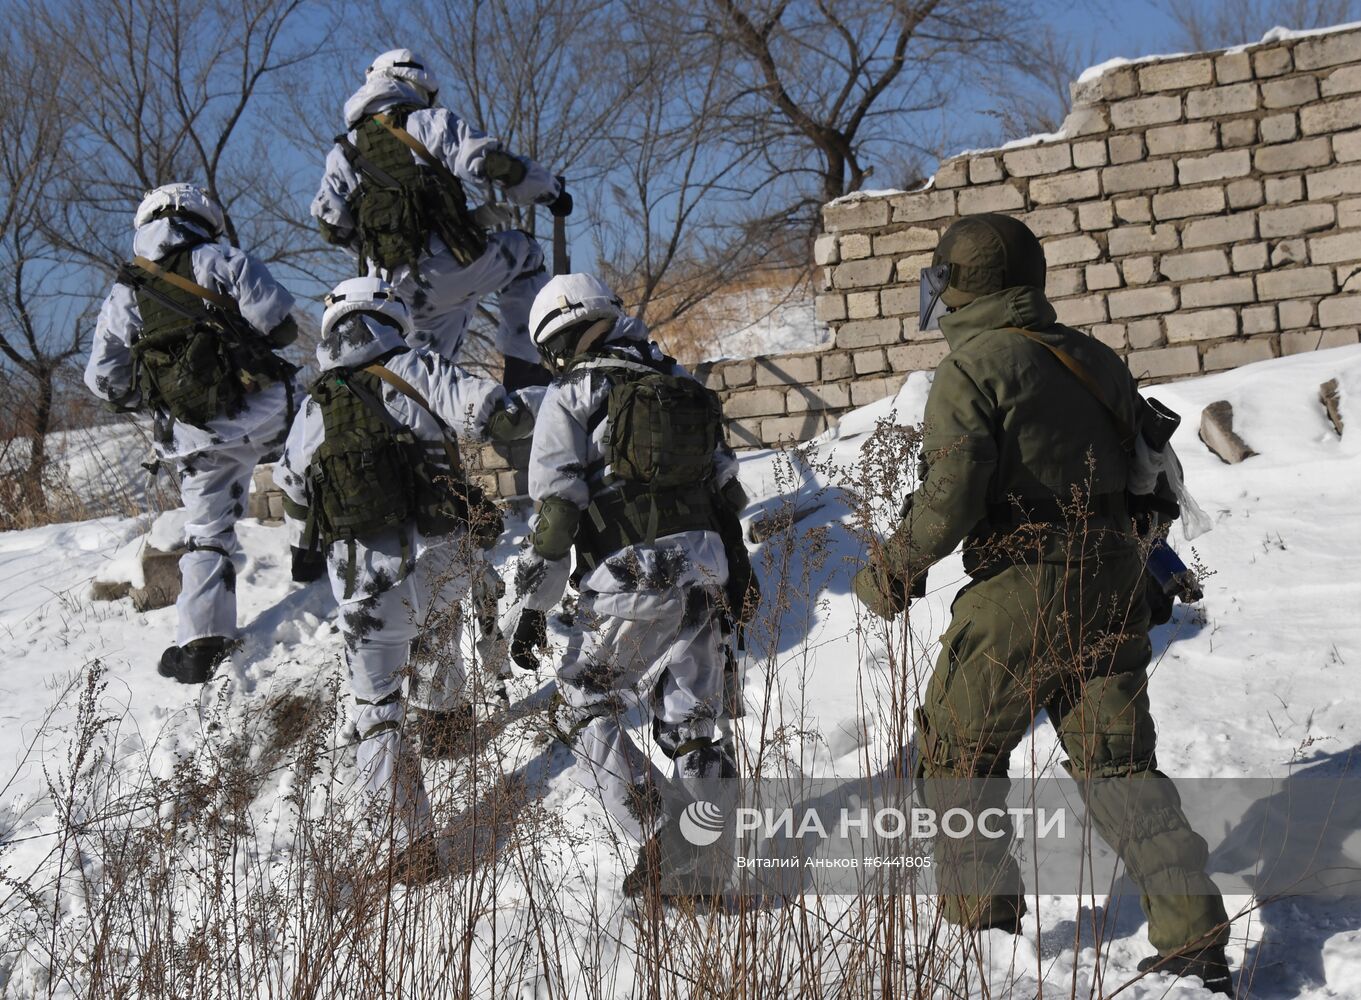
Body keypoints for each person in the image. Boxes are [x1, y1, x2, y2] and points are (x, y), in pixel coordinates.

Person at [852, 213, 1233, 996]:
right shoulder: (1090, 356)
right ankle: (1193, 940)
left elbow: (952, 492)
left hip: (1022, 585)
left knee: (956, 756)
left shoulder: (970, 370)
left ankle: (980, 934)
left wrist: (891, 569)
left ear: (955, 284)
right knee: (1119, 763)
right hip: (1114, 577)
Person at [506, 273, 758, 899]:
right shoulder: (679, 381)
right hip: (706, 569)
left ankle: (662, 832)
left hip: (632, 578)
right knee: (694, 724)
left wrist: (534, 607)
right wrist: (740, 572)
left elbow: (558, 509)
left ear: (555, 342)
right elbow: (729, 492)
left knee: (582, 704)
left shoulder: (570, 393)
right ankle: (704, 863)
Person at [274, 276, 535, 858]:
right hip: (441, 562)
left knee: (377, 711)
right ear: (390, 319)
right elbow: (494, 412)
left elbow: (292, 492)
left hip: (364, 588)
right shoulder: (416, 368)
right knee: (451, 591)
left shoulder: (316, 404)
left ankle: (403, 847)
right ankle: (446, 718)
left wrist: (306, 550)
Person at [85, 183, 299, 683]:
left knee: (207, 536)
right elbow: (281, 327)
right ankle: (323, 562)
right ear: (202, 217)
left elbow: (102, 380)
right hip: (269, 413)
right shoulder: (224, 260)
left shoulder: (125, 294)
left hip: (194, 438)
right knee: (320, 454)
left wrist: (161, 395)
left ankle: (202, 644)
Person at [312, 48, 572, 390]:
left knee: (427, 372)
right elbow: (493, 164)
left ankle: (417, 431)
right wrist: (550, 191)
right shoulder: (427, 123)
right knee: (525, 254)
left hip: (395, 291)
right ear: (417, 84)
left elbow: (330, 222)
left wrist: (384, 251)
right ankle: (527, 376)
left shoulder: (342, 152)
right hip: (451, 269)